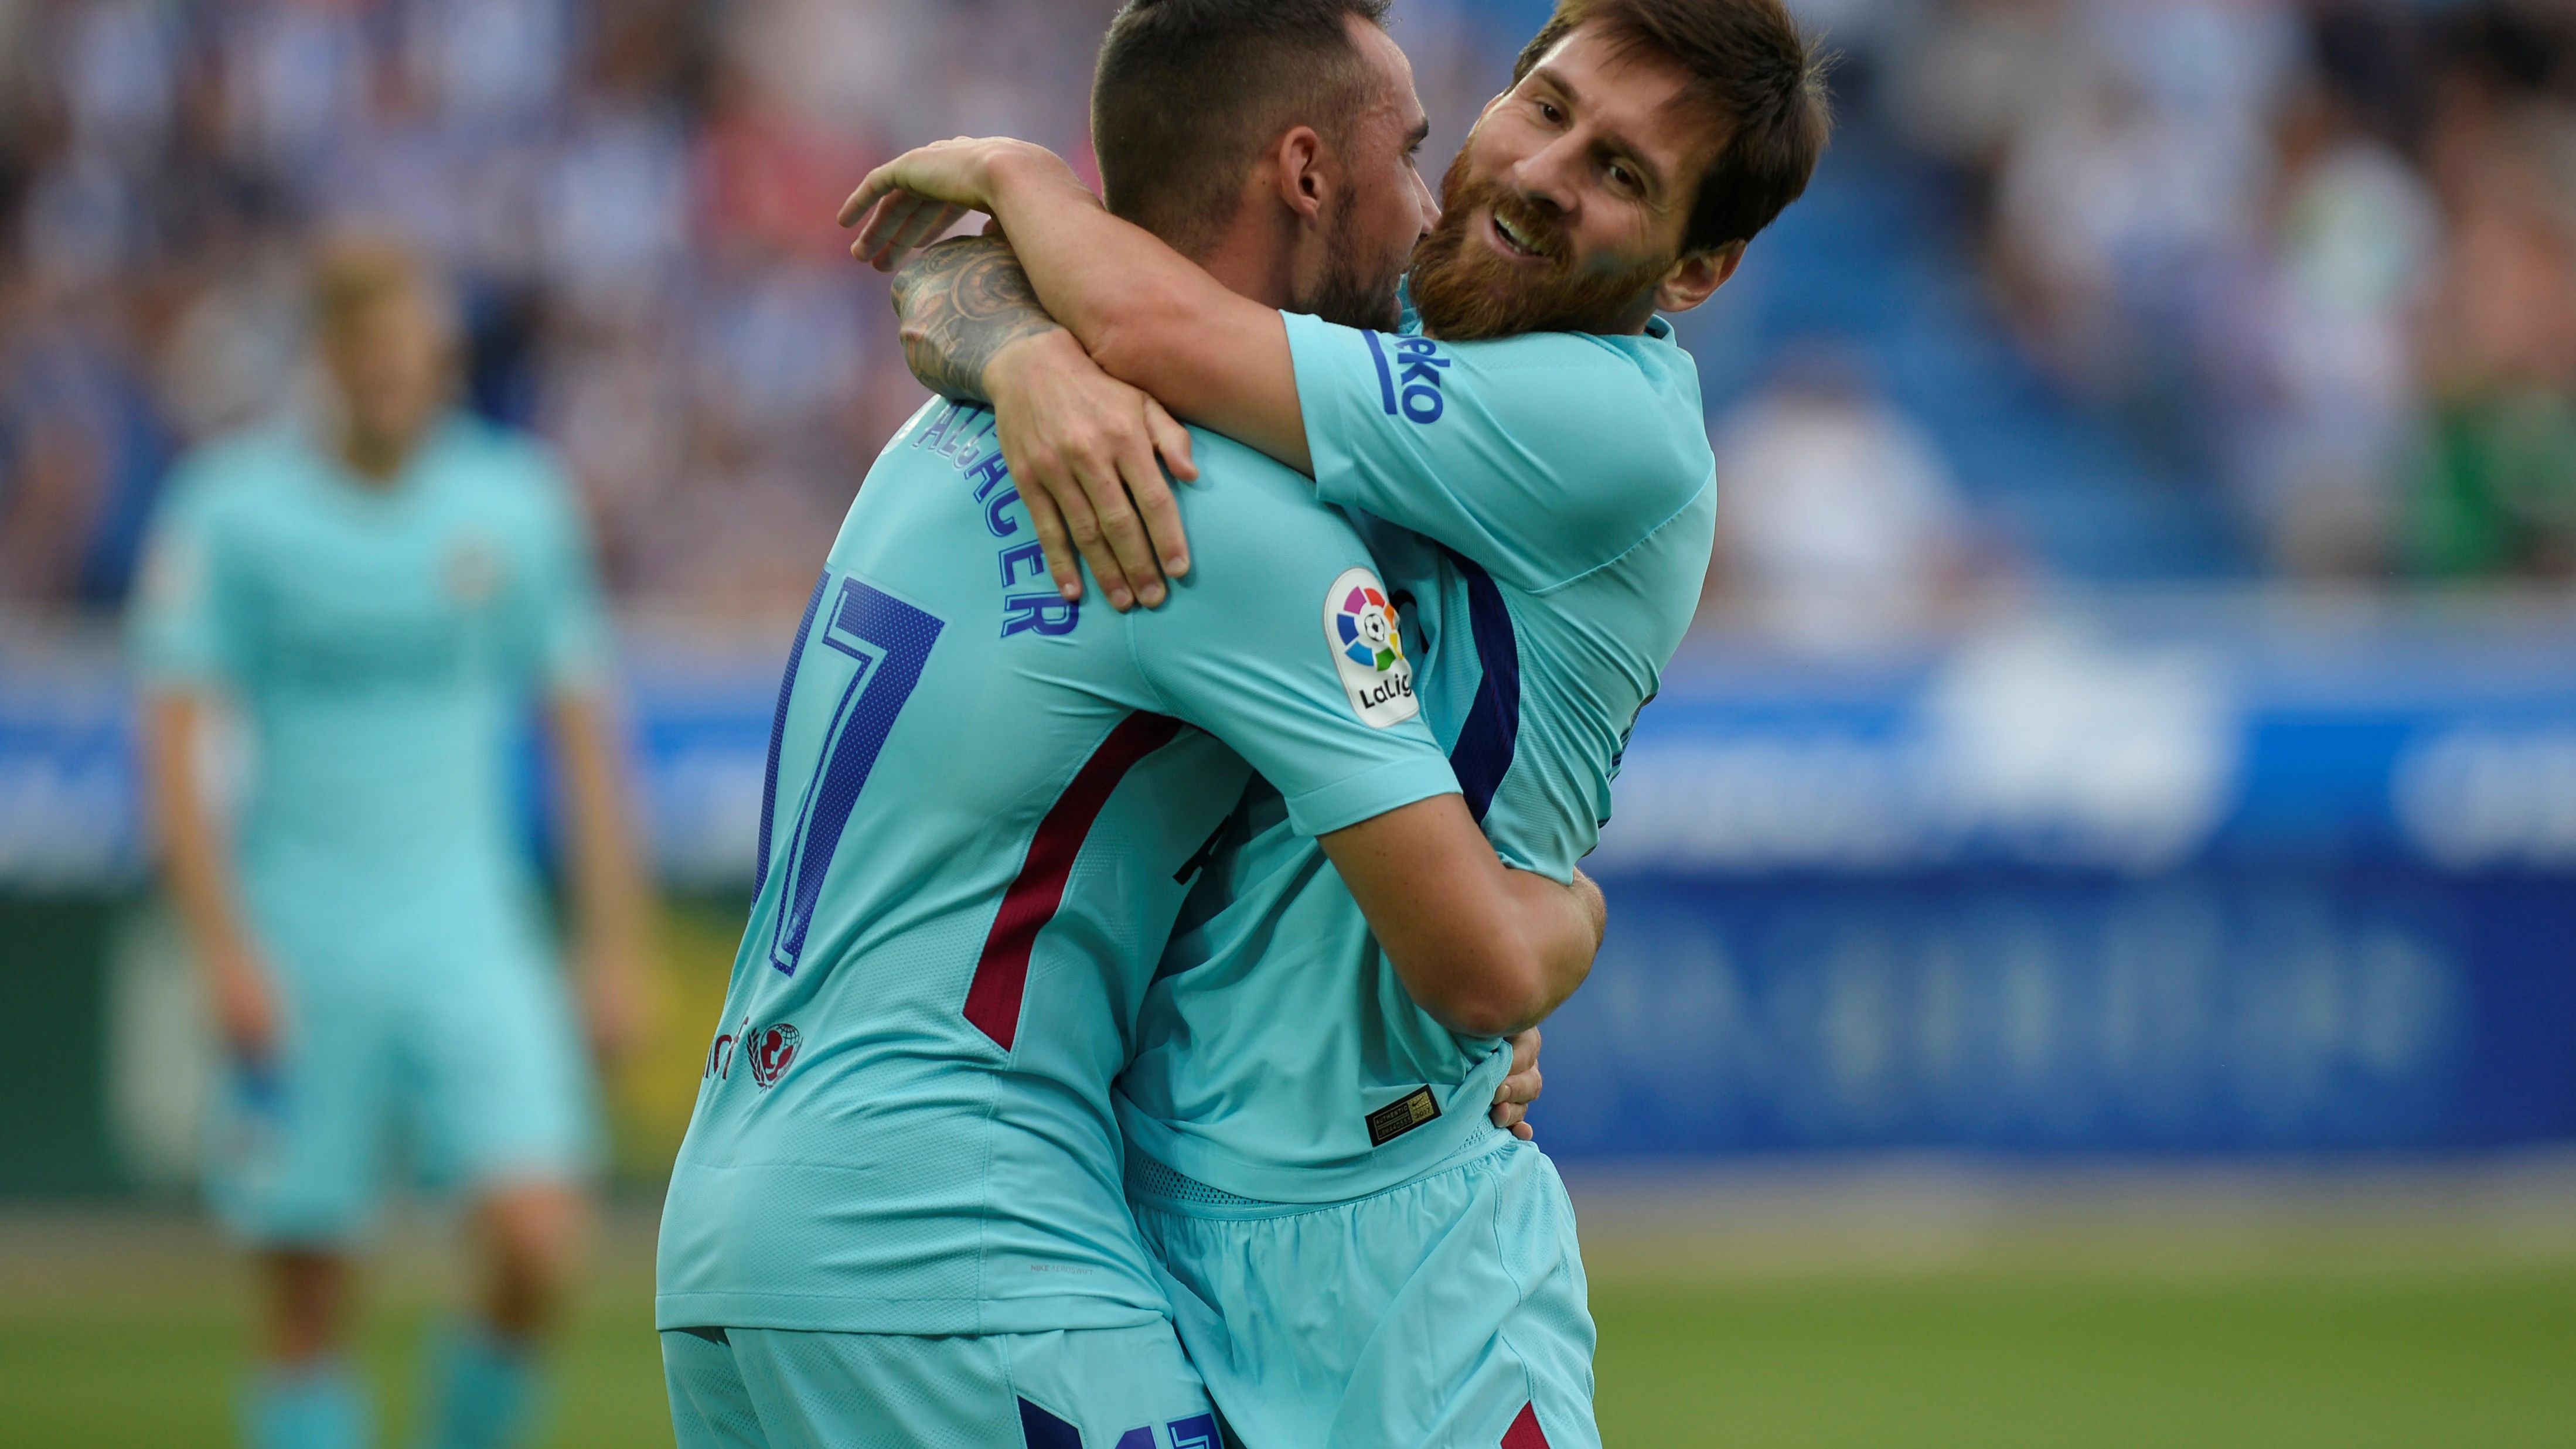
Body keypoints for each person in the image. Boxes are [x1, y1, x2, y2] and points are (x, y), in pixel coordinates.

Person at [843, 0, 1829, 1443]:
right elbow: (947, 287)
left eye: (1623, 173)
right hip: (1146, 1213)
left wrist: (1022, 175)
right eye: (1546, 107)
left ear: (1697, 269)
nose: (1550, 171)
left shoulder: (1610, 426)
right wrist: (1023, 362)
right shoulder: (1390, 311)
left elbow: (1126, 308)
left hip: (1401, 1242)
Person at [652, 5, 1602, 1445]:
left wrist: (1012, 335)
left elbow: (950, 284)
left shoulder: (947, 425)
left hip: (730, 1229)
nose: (1423, 211)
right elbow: (1475, 964)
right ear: (1303, 172)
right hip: (959, 1245)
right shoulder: (1213, 512)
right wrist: (1568, 912)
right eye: (1404, 157)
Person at [130, 236, 652, 1449]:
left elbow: (581, 734)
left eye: (422, 357)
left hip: (469, 927)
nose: (401, 380)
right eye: (375, 358)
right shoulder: (232, 513)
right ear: (325, 360)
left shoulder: (515, 506)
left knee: (539, 1239)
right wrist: (222, 951)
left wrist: (610, 945)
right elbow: (170, 745)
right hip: (300, 934)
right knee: (308, 1290)